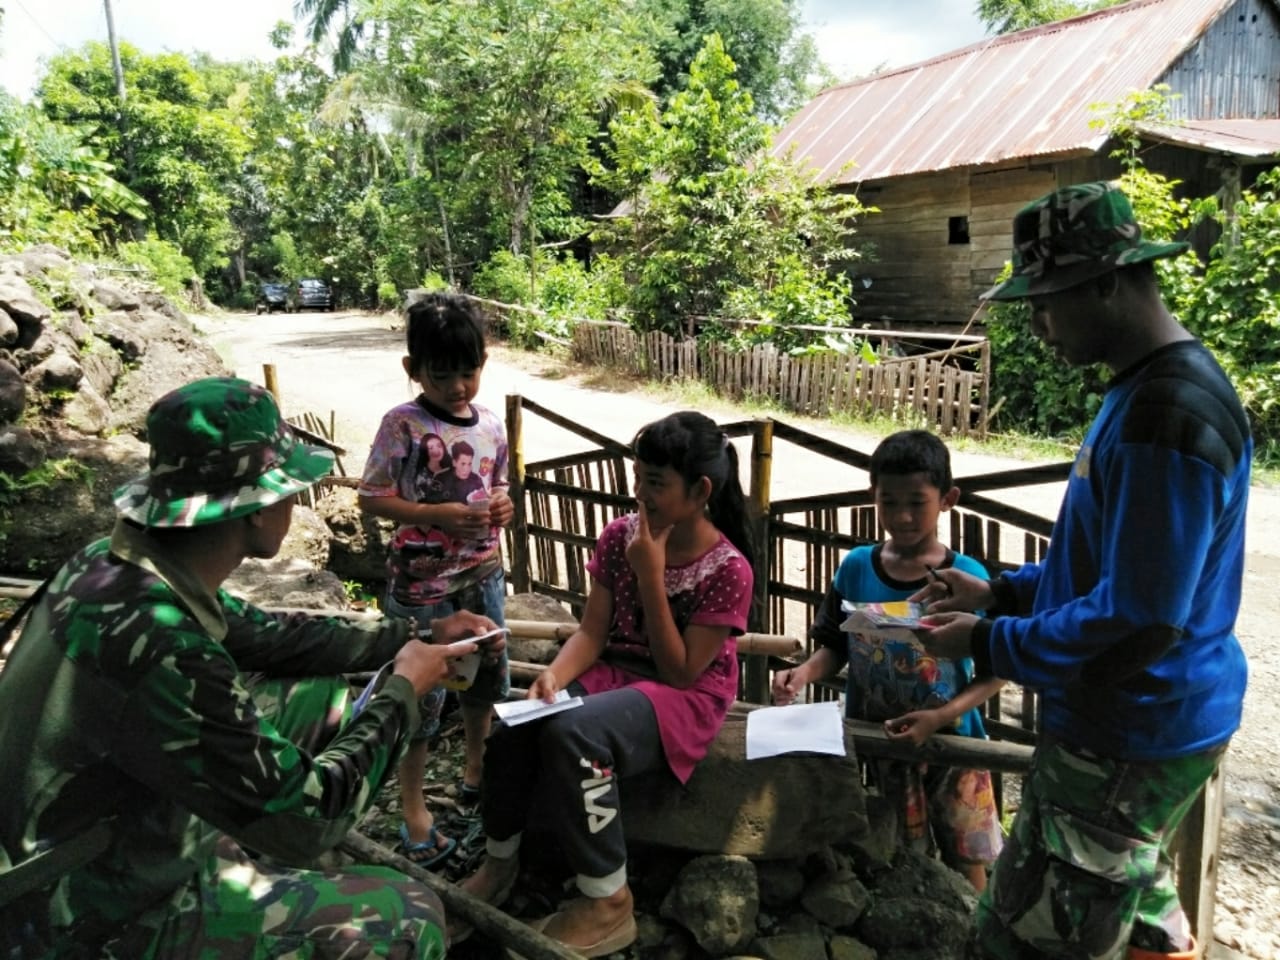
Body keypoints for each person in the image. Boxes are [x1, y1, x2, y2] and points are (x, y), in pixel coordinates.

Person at [0, 376, 497, 959]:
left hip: (93, 825)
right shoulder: (164, 645)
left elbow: (265, 635)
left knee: (320, 700)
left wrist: (415, 632)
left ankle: (256, 873)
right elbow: (310, 818)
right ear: (258, 511)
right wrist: (402, 692)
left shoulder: (117, 567)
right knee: (410, 916)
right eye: (290, 487)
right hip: (74, 912)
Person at [915, 182, 1251, 960]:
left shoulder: (1167, 416)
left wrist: (991, 642)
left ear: (1109, 281)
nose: (1037, 326)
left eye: (1048, 301)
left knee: (1025, 938)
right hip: (1145, 721)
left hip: (1128, 728)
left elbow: (1139, 617)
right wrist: (1002, 590)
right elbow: (1112, 568)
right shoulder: (1144, 393)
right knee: (1129, 897)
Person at [459, 411, 755, 957]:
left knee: (577, 734)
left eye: (656, 484)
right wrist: (554, 675)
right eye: (637, 478)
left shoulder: (727, 569)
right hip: (612, 674)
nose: (640, 493)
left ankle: (609, 902)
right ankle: (500, 862)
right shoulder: (620, 535)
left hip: (684, 697)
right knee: (513, 724)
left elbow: (682, 671)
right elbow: (592, 632)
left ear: (701, 490)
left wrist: (650, 575)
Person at [771, 429, 1004, 891]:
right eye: (889, 501)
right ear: (871, 496)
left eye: (916, 502)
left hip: (955, 745)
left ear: (947, 499)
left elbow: (999, 667)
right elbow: (835, 644)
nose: (901, 515)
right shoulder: (856, 567)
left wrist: (942, 716)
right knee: (903, 859)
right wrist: (803, 674)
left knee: (967, 860)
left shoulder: (969, 579)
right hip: (883, 747)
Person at [358, 293, 513, 866]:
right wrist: (436, 515)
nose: (457, 387)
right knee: (418, 698)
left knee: (485, 680)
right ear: (413, 370)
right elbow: (373, 497)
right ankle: (414, 811)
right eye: (440, 374)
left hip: (484, 574)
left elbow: (499, 489)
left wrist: (502, 509)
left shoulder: (491, 426)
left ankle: (475, 771)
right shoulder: (402, 425)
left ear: (483, 363)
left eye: (467, 372)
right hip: (422, 587)